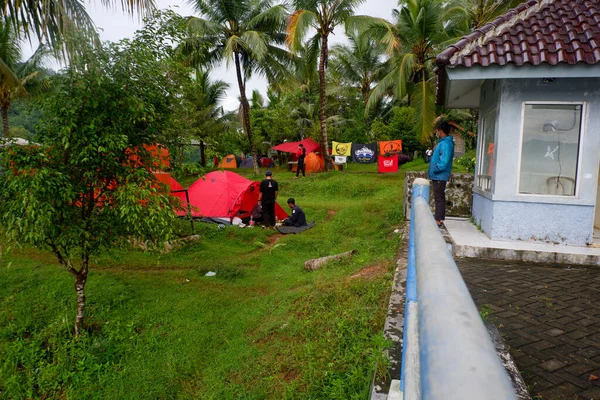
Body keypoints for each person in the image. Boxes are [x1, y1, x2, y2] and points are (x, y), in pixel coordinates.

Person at [428, 120, 454, 228]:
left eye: (437, 131)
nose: (437, 133)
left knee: (439, 198)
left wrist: (435, 169)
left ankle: (438, 220)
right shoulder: (444, 143)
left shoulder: (445, 144)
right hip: (438, 175)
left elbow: (443, 162)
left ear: (441, 131)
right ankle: (439, 219)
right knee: (439, 197)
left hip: (439, 175)